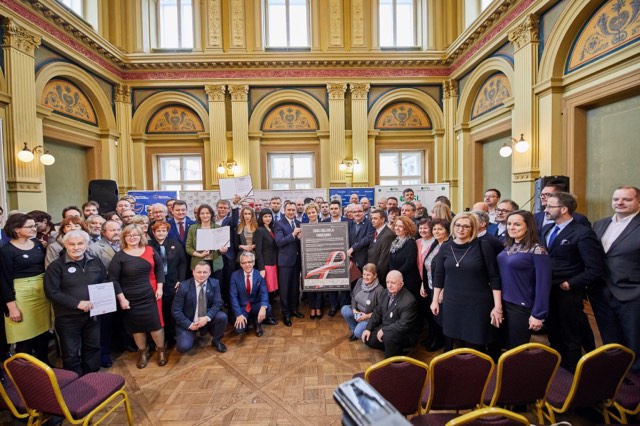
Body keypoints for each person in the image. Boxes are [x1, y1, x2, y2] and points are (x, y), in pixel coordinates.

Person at [542, 192, 604, 372]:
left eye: (550, 206)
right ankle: (558, 365)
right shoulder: (547, 230)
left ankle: (573, 369)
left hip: (568, 291)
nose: (545, 209)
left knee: (570, 332)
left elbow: (595, 268)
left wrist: (571, 283)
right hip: (548, 288)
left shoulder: (583, 233)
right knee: (553, 329)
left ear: (563, 209)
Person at [44, 230, 117, 375]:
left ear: (87, 244)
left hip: (93, 315)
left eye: (80, 243)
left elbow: (104, 280)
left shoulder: (95, 262)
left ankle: (91, 376)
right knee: (70, 353)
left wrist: (104, 299)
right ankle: (74, 381)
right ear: (65, 245)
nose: (76, 247)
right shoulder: (56, 266)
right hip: (67, 317)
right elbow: (51, 292)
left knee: (93, 348)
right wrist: (77, 303)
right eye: (72, 244)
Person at [431, 212, 502, 358]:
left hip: (477, 304)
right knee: (456, 341)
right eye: (457, 225)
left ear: (473, 228)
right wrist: (435, 300)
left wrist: (498, 307)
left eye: (465, 226)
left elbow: (494, 277)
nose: (461, 229)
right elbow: (439, 276)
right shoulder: (446, 247)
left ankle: (480, 371)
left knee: (476, 344)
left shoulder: (483, 246)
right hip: (452, 302)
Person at [591, 186, 640, 373]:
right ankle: (615, 376)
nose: (619, 203)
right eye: (616, 199)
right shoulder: (599, 224)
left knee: (634, 339)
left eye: (626, 199)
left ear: (638, 202)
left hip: (632, 292)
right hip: (600, 291)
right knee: (609, 338)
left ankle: (635, 381)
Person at [109, 224, 167, 368]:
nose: (132, 238)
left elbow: (160, 269)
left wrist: (160, 288)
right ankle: (143, 352)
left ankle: (161, 351)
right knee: (137, 327)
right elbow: (114, 280)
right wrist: (122, 299)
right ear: (124, 237)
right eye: (129, 235)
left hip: (151, 294)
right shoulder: (119, 256)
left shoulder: (150, 250)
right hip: (130, 298)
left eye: (135, 235)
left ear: (141, 236)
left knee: (156, 325)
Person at [497, 210, 552, 349]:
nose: (511, 227)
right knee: (503, 346)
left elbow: (543, 284)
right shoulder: (507, 245)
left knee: (517, 349)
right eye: (509, 224)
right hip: (502, 302)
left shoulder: (537, 250)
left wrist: (538, 314)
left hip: (521, 306)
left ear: (528, 226)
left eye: (517, 224)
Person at [0, 213, 50, 363]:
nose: (34, 229)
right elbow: (3, 281)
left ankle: (44, 364)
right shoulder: (6, 251)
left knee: (43, 332)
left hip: (41, 293)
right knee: (24, 336)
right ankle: (25, 370)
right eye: (30, 226)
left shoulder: (38, 244)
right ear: (17, 229)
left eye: (34, 225)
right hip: (21, 296)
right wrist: (12, 308)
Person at [87, 219, 123, 367]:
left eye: (118, 229)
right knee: (105, 324)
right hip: (106, 288)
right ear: (103, 232)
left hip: (126, 286)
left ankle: (123, 345)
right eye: (112, 230)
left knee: (122, 319)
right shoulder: (94, 248)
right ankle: (105, 353)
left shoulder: (125, 243)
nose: (116, 232)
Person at [172, 261, 228, 353]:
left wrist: (207, 318)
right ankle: (192, 335)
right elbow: (176, 311)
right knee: (183, 347)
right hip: (189, 322)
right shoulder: (183, 286)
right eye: (199, 272)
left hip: (205, 318)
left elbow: (217, 303)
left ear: (209, 273)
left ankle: (216, 341)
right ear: (193, 272)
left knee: (222, 317)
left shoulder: (214, 283)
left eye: (205, 272)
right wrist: (190, 325)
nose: (202, 275)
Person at [362, 270, 419, 358]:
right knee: (368, 339)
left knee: (388, 337)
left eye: (393, 283)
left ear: (401, 284)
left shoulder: (409, 301)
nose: (389, 285)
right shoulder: (385, 292)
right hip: (387, 326)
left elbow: (404, 325)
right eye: (387, 282)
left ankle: (392, 361)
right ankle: (396, 350)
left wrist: (384, 330)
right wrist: (368, 329)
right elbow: (377, 312)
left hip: (403, 333)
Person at [149, 221, 187, 349]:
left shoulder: (175, 244)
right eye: (158, 231)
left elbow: (182, 263)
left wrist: (181, 279)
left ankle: (171, 337)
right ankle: (159, 339)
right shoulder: (148, 246)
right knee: (159, 312)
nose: (161, 233)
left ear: (167, 232)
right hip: (154, 283)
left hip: (172, 282)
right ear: (153, 232)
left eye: (163, 230)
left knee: (171, 310)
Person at [420, 218, 450, 351]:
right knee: (433, 316)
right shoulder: (435, 244)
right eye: (434, 229)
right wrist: (423, 283)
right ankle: (433, 337)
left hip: (442, 289)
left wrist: (443, 289)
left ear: (447, 231)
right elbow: (427, 265)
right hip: (430, 285)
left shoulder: (449, 245)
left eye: (440, 229)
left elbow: (449, 271)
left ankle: (442, 343)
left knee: (442, 318)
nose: (436, 232)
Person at [230, 252, 276, 337]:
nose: (247, 265)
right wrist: (239, 315)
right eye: (244, 263)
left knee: (268, 308)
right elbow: (233, 297)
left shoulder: (259, 275)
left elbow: (264, 293)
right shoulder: (235, 276)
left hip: (255, 305)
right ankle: (248, 319)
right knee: (239, 329)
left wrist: (263, 308)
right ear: (240, 264)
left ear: (254, 262)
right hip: (243, 307)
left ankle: (257, 323)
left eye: (249, 262)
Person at [274, 201, 304, 326]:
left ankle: (294, 309)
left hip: (297, 261)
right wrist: (293, 234)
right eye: (289, 210)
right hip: (285, 262)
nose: (291, 212)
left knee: (295, 288)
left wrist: (301, 238)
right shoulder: (279, 223)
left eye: (293, 210)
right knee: (285, 289)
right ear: (284, 210)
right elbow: (279, 242)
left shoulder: (298, 223)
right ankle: (286, 314)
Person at [341, 263, 385, 341]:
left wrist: (366, 316)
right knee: (345, 309)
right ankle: (355, 330)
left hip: (369, 317)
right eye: (364, 274)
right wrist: (354, 310)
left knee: (358, 333)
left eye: (368, 275)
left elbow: (381, 311)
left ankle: (358, 332)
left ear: (375, 275)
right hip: (358, 312)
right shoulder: (360, 281)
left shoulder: (379, 290)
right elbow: (353, 296)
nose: (365, 277)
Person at [186, 204, 226, 281]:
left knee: (215, 285)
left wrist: (223, 250)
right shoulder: (193, 228)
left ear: (211, 214)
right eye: (202, 213)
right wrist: (200, 255)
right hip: (198, 263)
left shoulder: (218, 228)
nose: (205, 215)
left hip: (215, 264)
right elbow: (188, 248)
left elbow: (222, 247)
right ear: (198, 215)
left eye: (207, 213)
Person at [388, 216, 421, 305]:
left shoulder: (411, 243)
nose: (397, 228)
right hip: (395, 279)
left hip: (408, 281)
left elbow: (409, 263)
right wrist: (392, 274)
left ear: (407, 229)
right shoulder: (395, 242)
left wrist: (396, 274)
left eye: (401, 226)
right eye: (396, 225)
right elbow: (390, 259)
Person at [302, 202, 324, 319]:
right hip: (308, 259)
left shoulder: (324, 225)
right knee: (310, 283)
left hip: (321, 258)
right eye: (309, 213)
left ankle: (318, 306)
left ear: (317, 212)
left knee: (319, 283)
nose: (311, 215)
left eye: (313, 212)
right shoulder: (303, 227)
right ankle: (312, 307)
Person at [254, 209, 279, 300]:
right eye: (265, 217)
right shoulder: (260, 230)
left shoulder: (271, 229)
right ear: (261, 218)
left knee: (272, 290)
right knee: (266, 288)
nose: (268, 218)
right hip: (266, 264)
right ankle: (266, 307)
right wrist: (261, 268)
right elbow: (258, 250)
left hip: (274, 262)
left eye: (269, 216)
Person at [367, 209, 395, 286]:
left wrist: (377, 277)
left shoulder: (387, 235)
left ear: (382, 219)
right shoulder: (377, 231)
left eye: (375, 218)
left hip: (379, 277)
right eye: (372, 218)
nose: (372, 221)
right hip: (373, 271)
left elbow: (384, 260)